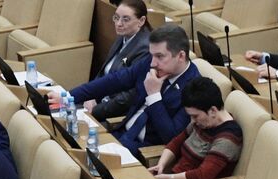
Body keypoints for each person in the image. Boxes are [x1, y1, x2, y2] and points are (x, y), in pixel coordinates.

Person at [71, 25, 201, 156]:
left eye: (160, 56)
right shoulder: (151, 63)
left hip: (144, 150)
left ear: (181, 56)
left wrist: (154, 96)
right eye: (152, 55)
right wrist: (69, 97)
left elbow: (171, 137)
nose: (152, 63)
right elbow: (114, 81)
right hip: (122, 133)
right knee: (71, 141)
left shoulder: (195, 88)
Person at [149, 77, 242, 179]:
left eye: (195, 116)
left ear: (212, 111)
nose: (192, 121)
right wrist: (161, 164)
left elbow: (202, 176)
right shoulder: (203, 122)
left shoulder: (228, 138)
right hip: (173, 178)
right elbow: (176, 142)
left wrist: (169, 178)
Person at [90, 0, 152, 121]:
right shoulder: (124, 36)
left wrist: (95, 110)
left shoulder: (146, 49)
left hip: (116, 115)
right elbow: (103, 72)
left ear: (141, 21)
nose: (118, 23)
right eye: (116, 18)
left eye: (126, 19)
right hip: (100, 102)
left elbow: (128, 97)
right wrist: (90, 96)